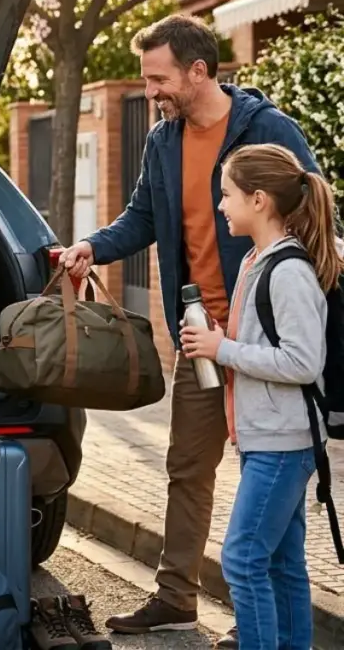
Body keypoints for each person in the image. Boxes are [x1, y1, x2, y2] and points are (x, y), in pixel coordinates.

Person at [58, 14, 319, 647]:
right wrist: (94, 245)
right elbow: (143, 216)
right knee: (188, 466)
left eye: (158, 78)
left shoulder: (267, 132)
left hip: (266, 337)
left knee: (271, 473)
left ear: (198, 71)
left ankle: (265, 621)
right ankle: (176, 597)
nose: (150, 92)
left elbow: (310, 216)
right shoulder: (164, 140)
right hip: (202, 332)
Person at [180, 144, 340, 649]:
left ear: (260, 200)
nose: (220, 206)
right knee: (283, 560)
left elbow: (302, 362)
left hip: (282, 441)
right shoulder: (257, 259)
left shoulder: (288, 271)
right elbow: (268, 345)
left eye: (226, 195)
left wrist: (222, 348)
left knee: (242, 558)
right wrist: (223, 339)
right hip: (265, 437)